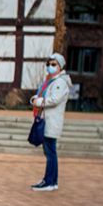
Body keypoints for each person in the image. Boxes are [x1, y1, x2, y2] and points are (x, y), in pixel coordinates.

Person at [30, 53, 72, 191]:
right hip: (47, 120)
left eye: (54, 64)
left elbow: (54, 99)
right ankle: (52, 181)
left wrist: (39, 102)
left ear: (60, 66)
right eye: (49, 64)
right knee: (50, 152)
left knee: (50, 152)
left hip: (51, 121)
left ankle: (49, 181)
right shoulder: (50, 81)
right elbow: (43, 95)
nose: (50, 67)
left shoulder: (60, 82)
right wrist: (34, 99)